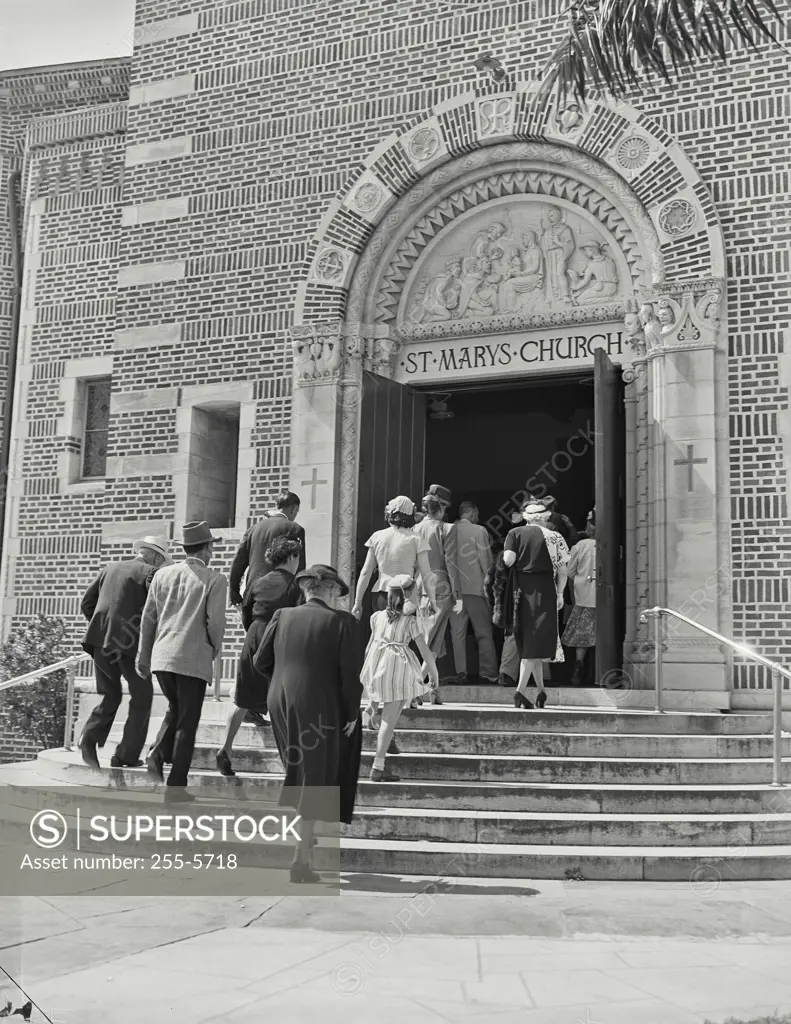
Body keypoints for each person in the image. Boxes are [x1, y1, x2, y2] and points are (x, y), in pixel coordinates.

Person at [254, 564, 362, 884]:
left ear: (305, 589)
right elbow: (349, 676)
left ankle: (306, 834)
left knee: (300, 772)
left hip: (280, 699)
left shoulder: (281, 616)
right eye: (337, 593)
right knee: (311, 780)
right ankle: (301, 861)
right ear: (329, 590)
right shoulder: (343, 622)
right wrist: (353, 713)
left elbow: (260, 661)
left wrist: (284, 683)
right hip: (319, 705)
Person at [137, 521, 227, 802]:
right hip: (192, 658)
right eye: (212, 546)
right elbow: (215, 623)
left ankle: (156, 752)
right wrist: (215, 647)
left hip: (162, 657)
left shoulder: (162, 575)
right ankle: (176, 787)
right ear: (208, 548)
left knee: (175, 710)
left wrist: (143, 653)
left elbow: (148, 617)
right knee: (188, 722)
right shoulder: (215, 579)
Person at [78, 535, 172, 771]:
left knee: (110, 695)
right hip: (130, 647)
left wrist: (103, 627)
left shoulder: (110, 568)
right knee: (142, 698)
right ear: (156, 556)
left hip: (100, 642)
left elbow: (86, 604)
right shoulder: (152, 573)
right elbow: (155, 613)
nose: (160, 565)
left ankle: (88, 739)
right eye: (160, 561)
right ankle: (126, 755)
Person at [215, 536, 303, 777]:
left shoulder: (258, 582)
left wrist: (254, 633)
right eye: (298, 556)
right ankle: (290, 763)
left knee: (241, 698)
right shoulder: (296, 585)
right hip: (279, 637)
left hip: (254, 636)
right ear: (291, 557)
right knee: (280, 702)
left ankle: (226, 748)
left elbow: (245, 613)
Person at [361, 575, 439, 782]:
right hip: (398, 666)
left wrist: (367, 672)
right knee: (391, 715)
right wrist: (434, 673)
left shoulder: (376, 617)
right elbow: (424, 650)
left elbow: (370, 646)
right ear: (408, 595)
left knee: (390, 707)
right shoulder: (410, 621)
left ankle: (375, 717)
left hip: (377, 665)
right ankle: (378, 766)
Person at [502, 502, 570, 709]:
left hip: (520, 590)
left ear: (526, 517)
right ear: (545, 516)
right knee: (535, 643)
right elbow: (563, 572)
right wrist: (560, 594)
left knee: (531, 643)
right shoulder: (555, 537)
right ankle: (520, 693)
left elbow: (508, 560)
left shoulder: (514, 533)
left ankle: (541, 692)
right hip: (545, 591)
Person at [229, 490, 306, 626]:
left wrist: (234, 593)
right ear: (294, 509)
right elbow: (299, 566)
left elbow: (238, 562)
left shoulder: (253, 529)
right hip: (282, 597)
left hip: (254, 597)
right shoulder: (294, 529)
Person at [413, 485, 462, 690]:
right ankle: (415, 684)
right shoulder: (447, 529)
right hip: (441, 585)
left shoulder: (413, 529)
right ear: (441, 508)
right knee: (432, 637)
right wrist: (457, 593)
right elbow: (451, 562)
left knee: (429, 636)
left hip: (417, 585)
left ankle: (432, 688)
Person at [352, 496, 435, 616]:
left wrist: (357, 602)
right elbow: (426, 573)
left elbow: (366, 572)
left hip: (381, 594)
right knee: (404, 633)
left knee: (382, 631)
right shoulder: (417, 539)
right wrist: (432, 601)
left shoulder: (377, 537)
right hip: (406, 595)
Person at [449, 501, 498, 684]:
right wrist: (490, 584)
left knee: (457, 633)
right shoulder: (479, 531)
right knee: (483, 632)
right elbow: (485, 559)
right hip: (476, 589)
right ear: (471, 513)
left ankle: (460, 672)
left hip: (454, 590)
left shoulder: (448, 529)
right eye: (476, 514)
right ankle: (487, 672)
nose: (477, 517)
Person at [563, 510, 597, 685]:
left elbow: (569, 572)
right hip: (604, 601)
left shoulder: (580, 546)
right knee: (601, 637)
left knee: (582, 638)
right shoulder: (611, 544)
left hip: (583, 598)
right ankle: (597, 673)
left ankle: (578, 666)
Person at [485, 543, 520, 688]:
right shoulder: (526, 557)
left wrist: (495, 604)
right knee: (533, 637)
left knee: (510, 636)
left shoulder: (501, 559)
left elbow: (489, 583)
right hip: (521, 600)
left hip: (506, 604)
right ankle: (543, 676)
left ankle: (506, 673)